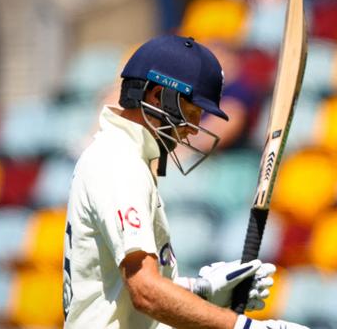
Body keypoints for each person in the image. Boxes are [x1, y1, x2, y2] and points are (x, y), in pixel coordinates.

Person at [62, 34, 308, 329]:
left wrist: (203, 290)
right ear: (156, 97)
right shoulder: (119, 164)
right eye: (190, 114)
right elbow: (146, 293)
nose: (192, 130)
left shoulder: (125, 157)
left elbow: (128, 291)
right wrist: (243, 327)